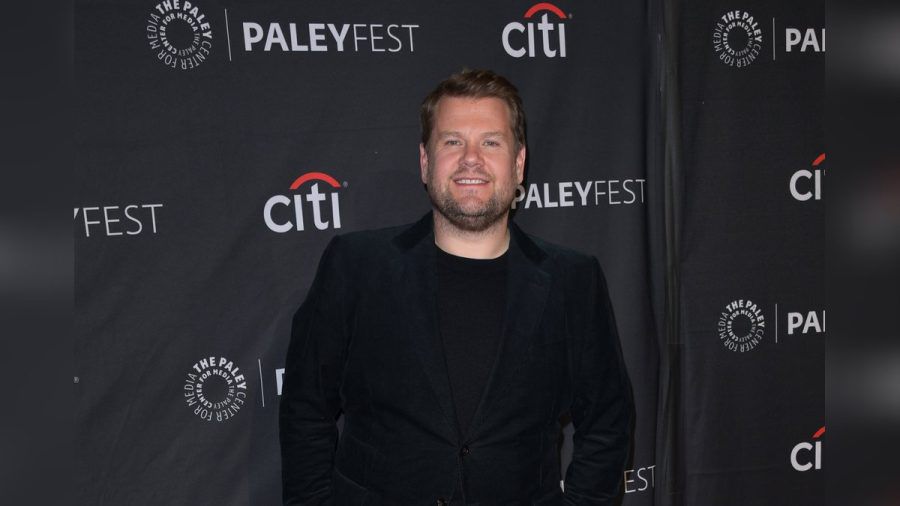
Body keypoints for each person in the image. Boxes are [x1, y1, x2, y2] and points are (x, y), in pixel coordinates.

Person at [280, 69, 633, 505]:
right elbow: (305, 409)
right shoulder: (355, 266)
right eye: (452, 142)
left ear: (518, 163)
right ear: (426, 162)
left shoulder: (573, 280)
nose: (471, 159)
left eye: (491, 142)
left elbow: (607, 422)